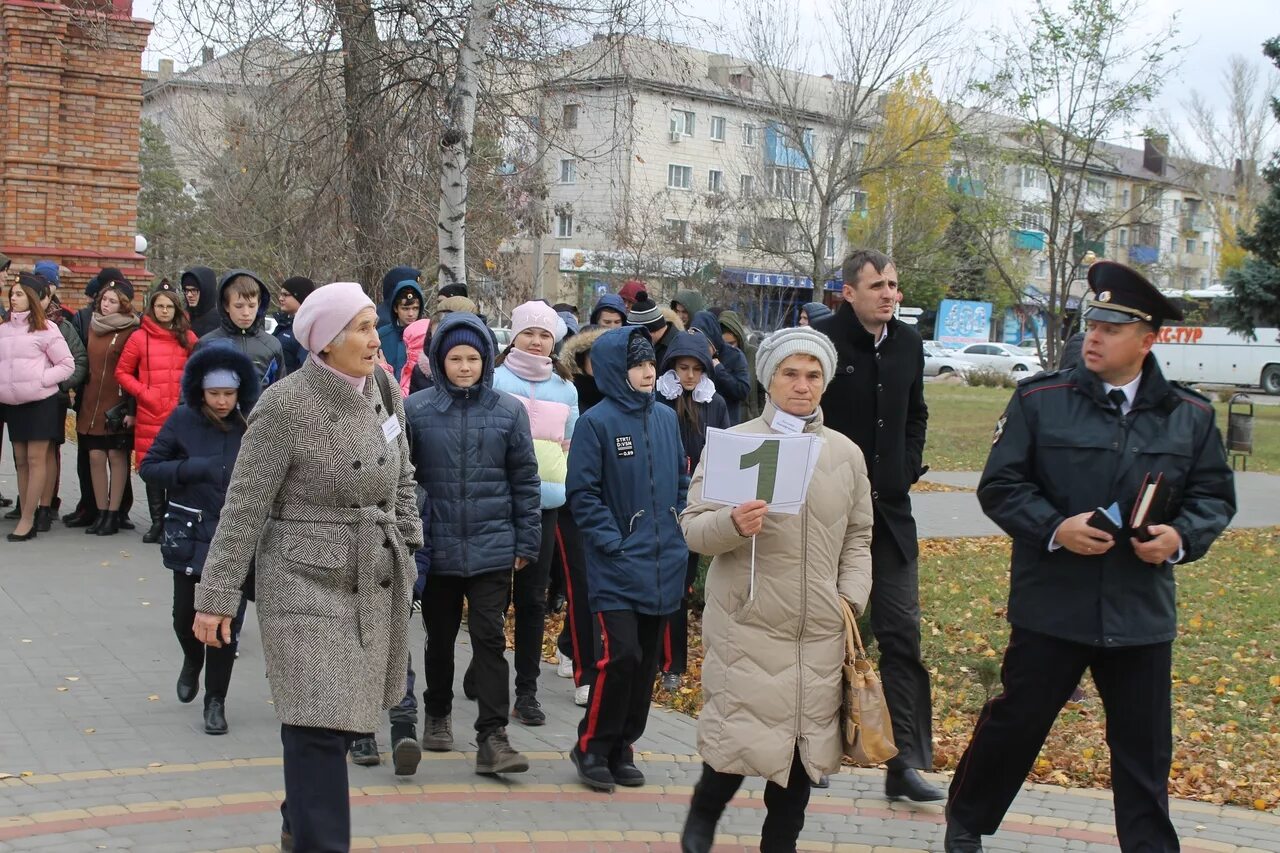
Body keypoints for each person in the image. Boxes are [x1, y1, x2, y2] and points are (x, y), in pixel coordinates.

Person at [944, 263, 1237, 853]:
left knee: (1144, 748)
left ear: (1147, 340)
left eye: (1111, 328)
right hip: (1053, 604)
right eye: (1092, 324)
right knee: (1017, 723)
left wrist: (1179, 538)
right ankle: (967, 822)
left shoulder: (1191, 415)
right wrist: (1056, 528)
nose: (1093, 337)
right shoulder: (1040, 400)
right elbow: (1001, 487)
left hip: (1139, 611)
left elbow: (1213, 498)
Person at [192, 281, 422, 852]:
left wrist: (410, 542)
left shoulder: (384, 387)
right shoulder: (285, 405)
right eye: (363, 329)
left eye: (373, 326)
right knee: (316, 720)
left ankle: (299, 817)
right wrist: (215, 597)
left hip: (371, 576)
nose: (376, 339)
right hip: (302, 581)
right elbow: (244, 505)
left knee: (342, 720)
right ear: (326, 342)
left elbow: (402, 474)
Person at [679, 326, 874, 852]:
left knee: (799, 760)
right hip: (749, 623)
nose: (802, 385)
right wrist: (731, 525)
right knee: (735, 743)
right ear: (769, 379)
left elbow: (859, 536)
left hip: (818, 631)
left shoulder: (846, 454)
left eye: (813, 375)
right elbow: (694, 528)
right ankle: (702, 819)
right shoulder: (737, 442)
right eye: (791, 373)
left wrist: (848, 598)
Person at [811, 248, 939, 801]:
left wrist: (906, 466)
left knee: (902, 635)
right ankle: (807, 751)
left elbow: (917, 413)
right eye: (877, 286)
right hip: (828, 520)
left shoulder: (908, 343)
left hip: (890, 517)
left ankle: (904, 761)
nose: (889, 294)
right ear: (849, 293)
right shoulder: (823, 343)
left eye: (893, 285)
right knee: (820, 635)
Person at [404, 311, 541, 774]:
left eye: (473, 358)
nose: (464, 367)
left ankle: (493, 736)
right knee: (440, 638)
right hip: (437, 547)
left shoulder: (509, 411)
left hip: (492, 546)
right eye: (455, 359)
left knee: (489, 639)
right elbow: (403, 480)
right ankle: (437, 713)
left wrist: (527, 540)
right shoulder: (416, 411)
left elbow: (525, 480)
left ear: (486, 360)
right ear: (440, 362)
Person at [565, 326, 689, 793]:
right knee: (621, 656)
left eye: (650, 362)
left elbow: (681, 479)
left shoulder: (665, 418)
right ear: (616, 369)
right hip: (616, 565)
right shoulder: (596, 423)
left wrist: (678, 528)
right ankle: (592, 746)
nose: (647, 371)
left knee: (645, 662)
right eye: (636, 364)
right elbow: (583, 493)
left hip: (663, 562)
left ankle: (623, 746)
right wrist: (614, 541)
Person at [140, 344, 259, 735]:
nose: (222, 402)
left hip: (235, 537)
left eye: (229, 393)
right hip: (191, 533)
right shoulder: (182, 419)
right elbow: (149, 467)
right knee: (184, 618)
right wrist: (193, 469)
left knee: (226, 626)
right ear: (200, 392)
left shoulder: (252, 422)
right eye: (214, 394)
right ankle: (192, 659)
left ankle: (215, 701)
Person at [490, 301, 579, 726]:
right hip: (496, 502)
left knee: (532, 599)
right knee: (493, 597)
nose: (537, 341)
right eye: (529, 333)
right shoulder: (494, 379)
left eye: (545, 335)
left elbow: (570, 442)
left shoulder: (566, 387)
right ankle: (485, 670)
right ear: (514, 336)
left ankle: (526, 691)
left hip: (544, 506)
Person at [653, 331, 729, 691]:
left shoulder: (714, 402)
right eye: (683, 368)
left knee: (679, 587)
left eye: (697, 369)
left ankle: (673, 664)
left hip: (695, 504)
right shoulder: (658, 398)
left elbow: (723, 450)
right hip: (658, 500)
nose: (689, 375)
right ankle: (650, 655)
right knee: (653, 582)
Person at [116, 280, 198, 543]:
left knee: (175, 470)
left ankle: (171, 523)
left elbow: (199, 371)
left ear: (176, 309)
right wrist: (144, 392)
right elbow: (122, 372)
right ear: (152, 308)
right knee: (152, 470)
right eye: (160, 306)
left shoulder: (188, 337)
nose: (164, 311)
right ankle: (156, 523)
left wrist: (188, 399)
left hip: (180, 415)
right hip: (150, 413)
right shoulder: (139, 338)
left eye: (169, 307)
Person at [553, 325, 609, 706]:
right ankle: (586, 673)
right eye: (595, 359)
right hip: (570, 501)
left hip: (612, 502)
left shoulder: (625, 399)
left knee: (599, 587)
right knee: (582, 584)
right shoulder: (568, 394)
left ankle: (567, 643)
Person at [0, 273, 75, 540]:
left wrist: (41, 380)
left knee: (35, 459)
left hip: (41, 403)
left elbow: (67, 365)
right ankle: (25, 512)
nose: (13, 298)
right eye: (12, 294)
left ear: (31, 298)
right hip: (13, 404)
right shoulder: (4, 329)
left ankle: (29, 519)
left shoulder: (46, 328)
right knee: (21, 461)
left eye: (19, 294)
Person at [65, 268, 135, 531]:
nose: (106, 304)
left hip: (116, 403)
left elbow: (133, 371)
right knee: (94, 456)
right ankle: (101, 510)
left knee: (116, 457)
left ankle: (114, 513)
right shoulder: (93, 326)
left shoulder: (131, 330)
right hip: (91, 402)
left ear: (123, 305)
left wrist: (131, 408)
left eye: (112, 301)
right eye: (104, 299)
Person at [35, 278, 88, 528]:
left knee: (48, 452)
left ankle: (46, 506)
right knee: (24, 456)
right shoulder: (15, 325)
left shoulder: (62, 326)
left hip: (53, 399)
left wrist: (60, 386)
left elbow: (79, 362)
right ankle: (26, 502)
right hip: (23, 400)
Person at [195, 270, 287, 387]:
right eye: (238, 306)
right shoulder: (206, 344)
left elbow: (281, 391)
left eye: (252, 306)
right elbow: (192, 391)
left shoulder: (272, 345)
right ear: (226, 305)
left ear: (259, 304)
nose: (246, 313)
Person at [687, 310, 751, 424]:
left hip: (727, 422)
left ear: (713, 342)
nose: (701, 350)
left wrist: (719, 371)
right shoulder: (691, 356)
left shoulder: (735, 355)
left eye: (704, 345)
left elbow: (743, 391)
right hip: (697, 422)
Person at [377, 279, 425, 378]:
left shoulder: (426, 336)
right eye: (405, 308)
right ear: (396, 308)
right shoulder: (381, 336)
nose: (411, 314)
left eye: (415, 308)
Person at [625, 291, 676, 373]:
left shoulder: (678, 348)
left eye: (637, 336)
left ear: (647, 332)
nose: (635, 341)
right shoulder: (656, 344)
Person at [273, 276, 315, 374]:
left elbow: (304, 368)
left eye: (285, 295)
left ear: (300, 297)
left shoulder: (307, 329)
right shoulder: (285, 324)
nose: (280, 298)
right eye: (281, 294)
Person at [181, 266, 221, 338]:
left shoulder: (220, 322)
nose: (189, 295)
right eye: (186, 290)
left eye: (194, 290)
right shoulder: (181, 318)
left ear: (206, 291)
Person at [398, 318, 431, 397]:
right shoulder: (411, 366)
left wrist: (384, 371)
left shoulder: (419, 372)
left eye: (407, 345)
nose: (406, 350)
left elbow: (402, 400)